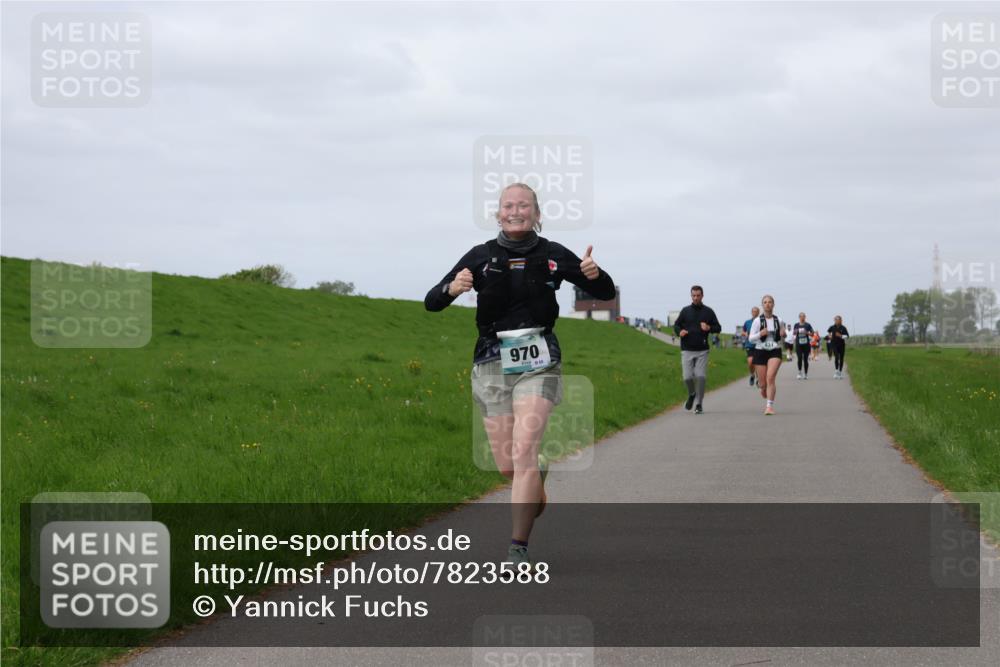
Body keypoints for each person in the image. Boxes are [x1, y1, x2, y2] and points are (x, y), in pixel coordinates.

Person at [425, 183, 614, 568]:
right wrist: (452, 287)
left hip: (539, 357)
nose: (516, 211)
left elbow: (605, 290)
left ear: (537, 214)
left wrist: (595, 274)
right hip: (491, 360)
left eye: (524, 205)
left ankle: (517, 548)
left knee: (524, 448)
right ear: (498, 214)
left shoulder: (553, 254)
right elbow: (432, 301)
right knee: (509, 465)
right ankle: (533, 482)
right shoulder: (480, 257)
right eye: (508, 205)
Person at [672, 285, 722, 414]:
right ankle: (692, 393)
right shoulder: (685, 311)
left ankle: (699, 404)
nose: (695, 298)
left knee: (700, 376)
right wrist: (680, 331)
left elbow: (718, 328)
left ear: (702, 296)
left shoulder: (708, 312)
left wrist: (709, 328)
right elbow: (676, 325)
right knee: (687, 378)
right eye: (693, 295)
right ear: (691, 296)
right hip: (687, 349)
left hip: (702, 350)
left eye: (698, 295)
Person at [748, 295, 785, 415]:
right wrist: (760, 334)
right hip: (760, 350)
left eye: (770, 302)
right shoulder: (757, 321)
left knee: (770, 377)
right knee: (763, 383)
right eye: (765, 302)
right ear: (762, 305)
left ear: (773, 304)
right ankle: (763, 387)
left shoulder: (779, 320)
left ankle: (769, 406)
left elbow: (783, 335)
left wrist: (783, 334)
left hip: (775, 350)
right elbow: (750, 339)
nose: (767, 304)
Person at [792, 312, 814, 380]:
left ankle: (806, 374)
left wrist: (807, 333)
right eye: (801, 316)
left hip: (806, 344)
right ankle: (799, 372)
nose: (802, 318)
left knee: (805, 359)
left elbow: (812, 334)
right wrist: (797, 331)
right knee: (799, 358)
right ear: (799, 317)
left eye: (803, 316)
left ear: (805, 317)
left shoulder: (808, 325)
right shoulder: (796, 325)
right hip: (799, 344)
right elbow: (794, 333)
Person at [742, 306, 760, 387]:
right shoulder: (747, 322)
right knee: (750, 362)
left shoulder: (761, 322)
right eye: (753, 311)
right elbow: (743, 331)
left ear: (758, 313)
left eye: (756, 311)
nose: (755, 313)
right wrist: (745, 334)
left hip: (759, 345)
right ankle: (752, 375)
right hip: (749, 344)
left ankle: (758, 378)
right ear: (751, 312)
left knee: (758, 363)